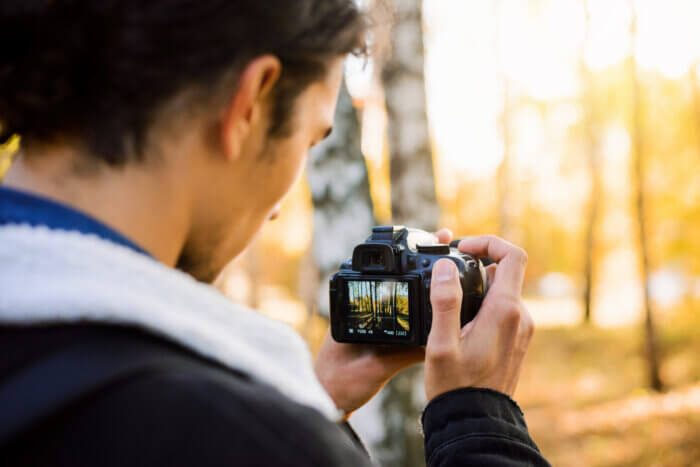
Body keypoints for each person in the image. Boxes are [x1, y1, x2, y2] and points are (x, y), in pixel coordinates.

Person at [0, 1, 549, 466]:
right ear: (251, 103)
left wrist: (310, 399)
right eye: (308, 143)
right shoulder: (245, 441)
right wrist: (480, 418)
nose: (277, 211)